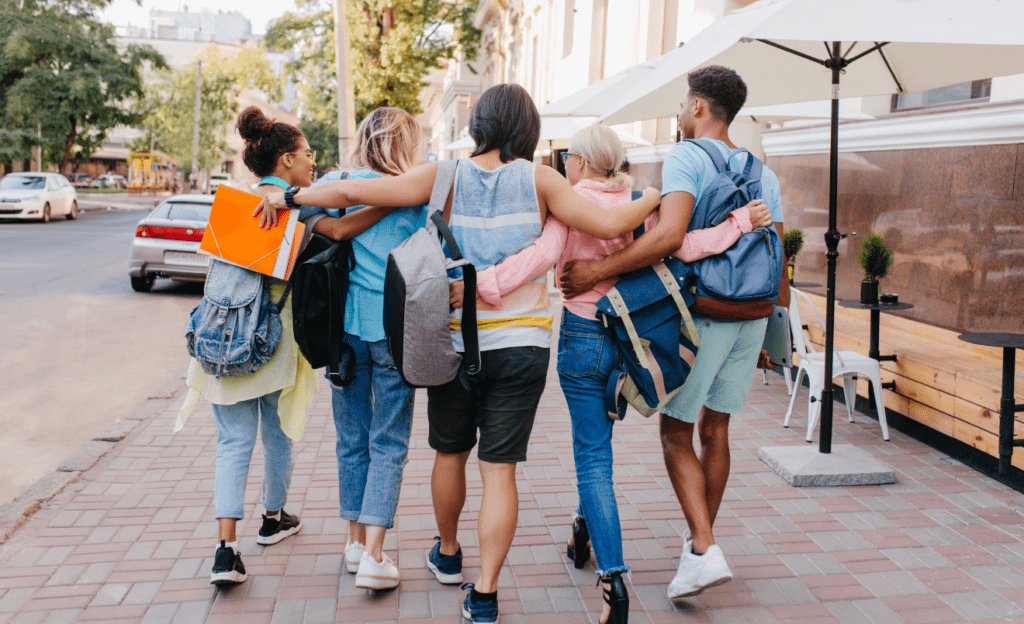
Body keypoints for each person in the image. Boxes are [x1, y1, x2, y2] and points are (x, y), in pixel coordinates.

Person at [253, 83, 661, 624]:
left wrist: (288, 197)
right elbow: (613, 224)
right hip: (522, 345)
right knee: (501, 472)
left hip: (455, 340)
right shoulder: (543, 180)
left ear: (479, 125)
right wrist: (657, 194)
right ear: (528, 127)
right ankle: (486, 594)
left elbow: (357, 191)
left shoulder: (441, 176)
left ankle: (448, 554)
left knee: (450, 454)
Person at [460, 124, 770, 624]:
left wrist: (478, 286)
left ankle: (615, 581)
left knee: (592, 455)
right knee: (598, 444)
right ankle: (586, 527)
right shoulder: (639, 203)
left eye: (568, 159)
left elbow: (540, 258)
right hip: (631, 341)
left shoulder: (572, 200)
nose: (564, 167)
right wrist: (739, 222)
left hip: (583, 340)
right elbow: (685, 245)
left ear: (580, 161)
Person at [560, 65, 791, 599]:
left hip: (706, 312)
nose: (682, 112)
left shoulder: (689, 156)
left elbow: (669, 237)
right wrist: (772, 336)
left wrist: (596, 272)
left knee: (674, 432)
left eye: (685, 103)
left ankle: (705, 549)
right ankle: (696, 548)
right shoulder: (765, 172)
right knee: (718, 432)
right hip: (752, 317)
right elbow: (779, 254)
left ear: (699, 109)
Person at [175, 106, 398, 587]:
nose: (313, 162)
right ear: (287, 161)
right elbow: (338, 231)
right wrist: (393, 200)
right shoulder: (301, 204)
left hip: (216, 338)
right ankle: (273, 517)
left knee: (232, 443)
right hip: (270, 340)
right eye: (307, 154)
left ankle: (225, 550)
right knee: (277, 436)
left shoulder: (232, 200)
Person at [324, 107, 427, 591]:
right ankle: (375, 554)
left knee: (350, 437)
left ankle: (352, 543)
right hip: (395, 330)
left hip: (344, 330)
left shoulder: (340, 184)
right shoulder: (414, 194)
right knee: (389, 440)